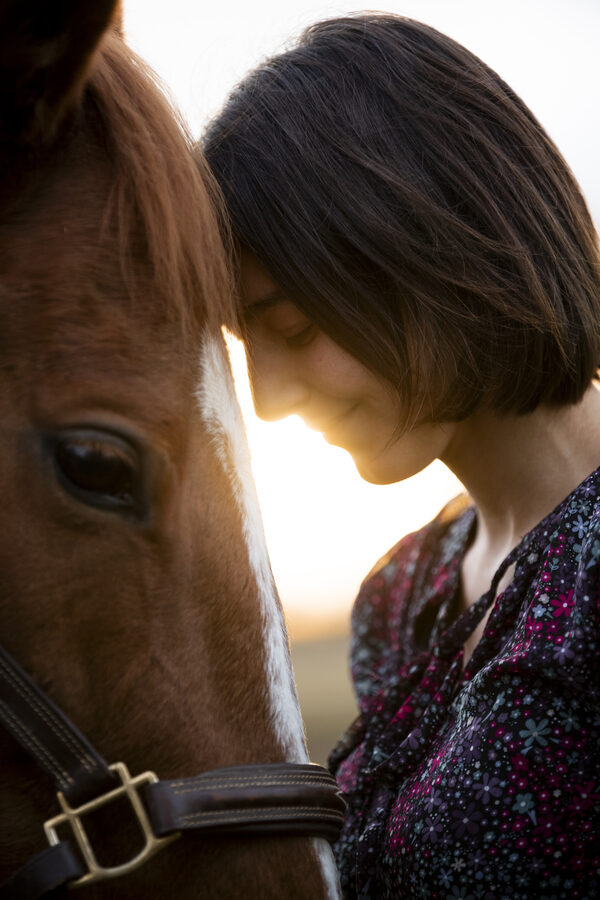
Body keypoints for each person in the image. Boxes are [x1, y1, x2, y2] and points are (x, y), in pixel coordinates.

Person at [203, 14, 600, 898]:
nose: (266, 400)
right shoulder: (402, 596)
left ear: (431, 244)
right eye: (243, 346)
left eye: (292, 328)